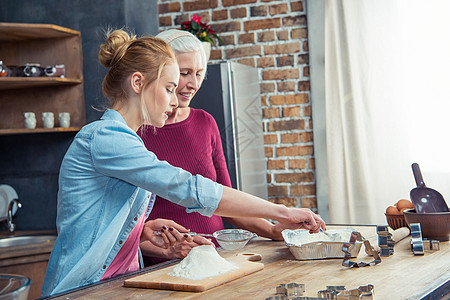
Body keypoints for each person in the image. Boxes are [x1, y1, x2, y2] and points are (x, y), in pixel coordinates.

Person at [41, 28, 326, 297]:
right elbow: (189, 187)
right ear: (138, 83)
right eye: (168, 88)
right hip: (81, 290)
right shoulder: (105, 138)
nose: (175, 101)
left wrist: (142, 233)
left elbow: (104, 225)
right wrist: (282, 212)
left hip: (118, 285)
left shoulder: (128, 140)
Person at [139, 29, 306, 266]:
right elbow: (127, 225)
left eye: (198, 73)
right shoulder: (136, 132)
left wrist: (272, 230)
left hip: (214, 256)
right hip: (164, 262)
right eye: (184, 73)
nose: (193, 83)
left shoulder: (205, 122)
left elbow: (225, 200)